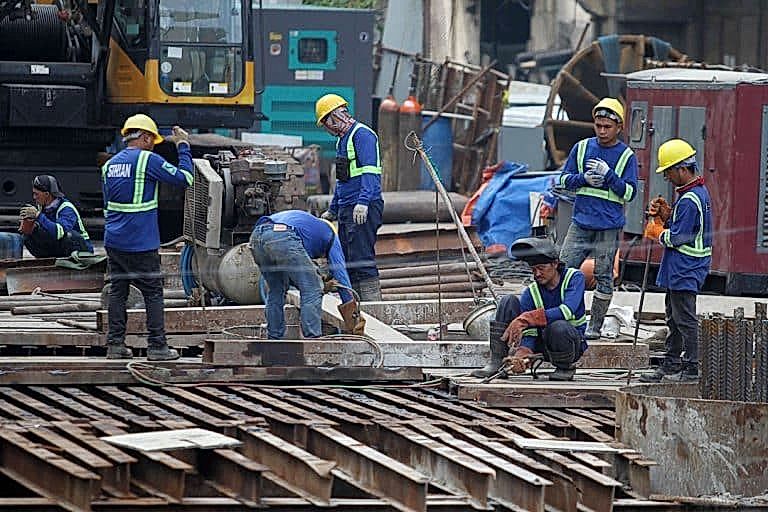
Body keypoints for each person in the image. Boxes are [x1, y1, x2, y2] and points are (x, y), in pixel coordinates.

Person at [101, 114, 193, 360]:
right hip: (140, 241)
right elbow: (186, 178)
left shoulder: (109, 165)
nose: (153, 145)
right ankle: (157, 347)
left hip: (114, 241)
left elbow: (107, 206)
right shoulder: (147, 160)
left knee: (118, 291)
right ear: (144, 137)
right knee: (153, 292)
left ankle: (115, 346)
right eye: (152, 140)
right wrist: (183, 146)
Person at [557, 97, 638, 340]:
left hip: (608, 226)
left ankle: (595, 327)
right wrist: (583, 178)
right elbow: (562, 180)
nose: (602, 131)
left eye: (607, 127)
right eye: (598, 125)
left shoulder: (626, 156)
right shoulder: (581, 148)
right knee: (564, 270)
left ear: (619, 127)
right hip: (581, 222)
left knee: (604, 276)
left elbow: (630, 192)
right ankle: (572, 318)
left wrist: (610, 176)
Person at [640, 139, 712, 382]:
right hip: (681, 267)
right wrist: (667, 215)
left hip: (686, 267)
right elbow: (686, 226)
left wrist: (657, 231)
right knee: (674, 316)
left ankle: (692, 367)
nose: (667, 177)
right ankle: (672, 363)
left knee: (684, 318)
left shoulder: (691, 199)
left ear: (682, 168)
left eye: (668, 171)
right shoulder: (694, 194)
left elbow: (680, 237)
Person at [471, 237, 588, 381]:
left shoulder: (574, 278)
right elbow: (531, 334)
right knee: (507, 301)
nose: (537, 274)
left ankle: (564, 367)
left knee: (558, 326)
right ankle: (497, 362)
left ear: (555, 264)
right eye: (533, 269)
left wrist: (526, 319)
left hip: (569, 344)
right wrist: (522, 354)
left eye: (541, 268)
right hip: (543, 344)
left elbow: (566, 311)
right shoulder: (531, 292)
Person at [249, 209, 364, 339]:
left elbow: (293, 272)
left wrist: (320, 281)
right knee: (312, 289)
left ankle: (274, 338)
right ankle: (313, 339)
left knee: (276, 289)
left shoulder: (308, 230)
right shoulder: (331, 236)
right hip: (282, 235)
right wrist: (352, 314)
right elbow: (341, 274)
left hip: (257, 236)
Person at [316, 93, 384, 301]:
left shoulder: (362, 135)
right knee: (348, 259)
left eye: (326, 123)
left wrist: (363, 202)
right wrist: (333, 209)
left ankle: (374, 308)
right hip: (347, 208)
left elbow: (370, 172)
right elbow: (342, 180)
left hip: (362, 207)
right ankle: (357, 306)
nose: (327, 129)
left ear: (335, 117)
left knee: (362, 259)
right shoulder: (342, 141)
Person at [19, 175, 93, 257]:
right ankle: (47, 261)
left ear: (47, 194)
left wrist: (38, 216)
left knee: (69, 236)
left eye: (36, 194)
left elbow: (59, 232)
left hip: (82, 250)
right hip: (60, 246)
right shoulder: (42, 207)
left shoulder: (66, 208)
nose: (34, 197)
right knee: (29, 236)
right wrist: (31, 226)